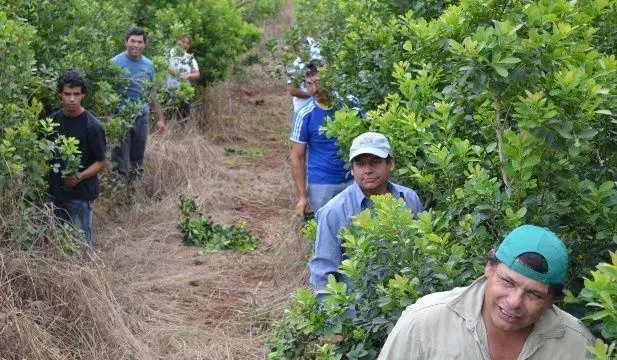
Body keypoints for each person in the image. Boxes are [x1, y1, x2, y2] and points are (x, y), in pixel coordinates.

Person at [378, 224, 595, 360]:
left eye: (534, 294)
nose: (514, 301)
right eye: (508, 282)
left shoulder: (579, 346)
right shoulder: (422, 322)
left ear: (552, 300)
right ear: (489, 267)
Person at [309, 132, 423, 297]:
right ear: (353, 169)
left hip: (408, 304)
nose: (368, 170)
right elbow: (323, 278)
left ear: (390, 163)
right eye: (360, 164)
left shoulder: (409, 198)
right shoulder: (334, 211)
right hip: (359, 316)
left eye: (375, 162)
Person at [48, 71, 107, 248]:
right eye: (67, 94)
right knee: (56, 243)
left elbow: (102, 162)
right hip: (55, 193)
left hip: (81, 195)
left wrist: (79, 177)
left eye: (76, 94)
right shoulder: (52, 122)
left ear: (83, 94)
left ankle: (86, 275)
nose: (72, 99)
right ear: (60, 94)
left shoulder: (93, 126)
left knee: (81, 245)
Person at [290, 70, 354, 216]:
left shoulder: (349, 104)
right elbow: (297, 156)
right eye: (309, 84)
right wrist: (302, 196)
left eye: (319, 82)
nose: (315, 89)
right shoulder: (305, 114)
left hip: (353, 179)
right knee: (322, 230)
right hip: (321, 183)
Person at [111, 27, 166, 180]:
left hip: (142, 117)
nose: (136, 45)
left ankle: (133, 195)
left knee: (137, 159)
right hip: (120, 117)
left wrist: (160, 119)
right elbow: (107, 93)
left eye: (139, 42)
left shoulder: (149, 65)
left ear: (144, 45)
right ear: (125, 42)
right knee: (120, 160)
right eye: (132, 41)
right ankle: (118, 194)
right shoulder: (115, 63)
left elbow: (152, 92)